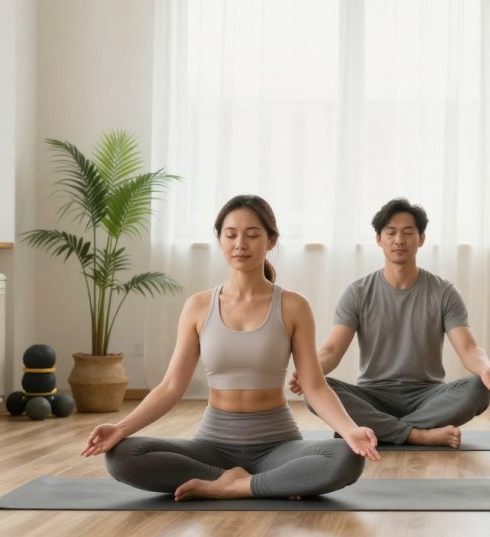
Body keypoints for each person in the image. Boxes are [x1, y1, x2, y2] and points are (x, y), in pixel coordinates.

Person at [81, 195, 380, 501]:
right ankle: (258, 483)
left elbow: (314, 385)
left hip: (278, 446)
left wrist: (350, 429)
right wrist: (120, 427)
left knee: (347, 456)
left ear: (271, 241)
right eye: (231, 234)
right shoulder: (198, 306)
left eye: (252, 235)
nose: (241, 244)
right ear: (220, 240)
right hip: (212, 447)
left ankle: (235, 486)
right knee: (122, 455)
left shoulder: (293, 306)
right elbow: (171, 387)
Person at [289, 198, 490, 448]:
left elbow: (469, 348)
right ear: (378, 239)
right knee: (315, 391)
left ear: (421, 239)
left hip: (427, 396)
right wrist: (310, 375)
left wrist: (486, 369)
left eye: (407, 233)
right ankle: (417, 434)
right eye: (390, 233)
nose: (398, 240)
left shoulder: (444, 291)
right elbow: (331, 351)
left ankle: (379, 429)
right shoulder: (358, 292)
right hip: (373, 395)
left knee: (478, 389)